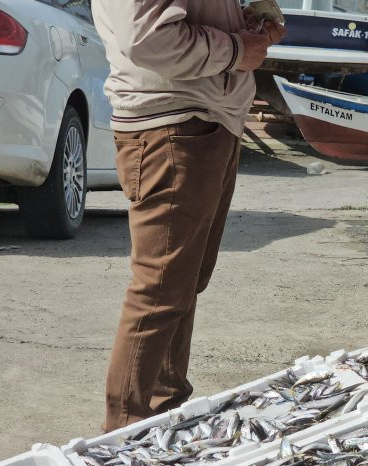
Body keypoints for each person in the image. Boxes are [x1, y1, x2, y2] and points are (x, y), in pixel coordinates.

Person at [92, 1, 285, 432]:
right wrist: (237, 49)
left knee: (180, 283)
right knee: (160, 289)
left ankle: (160, 416)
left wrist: (244, 25)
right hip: (174, 124)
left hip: (203, 120)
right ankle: (125, 435)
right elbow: (146, 39)